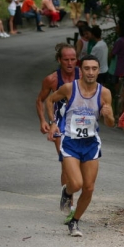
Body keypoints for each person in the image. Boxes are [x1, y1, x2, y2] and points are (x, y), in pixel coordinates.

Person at [46, 54, 115, 237]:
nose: (90, 72)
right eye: (86, 68)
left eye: (94, 69)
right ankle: (67, 191)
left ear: (99, 70)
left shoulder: (105, 92)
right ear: (80, 70)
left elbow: (111, 123)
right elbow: (50, 100)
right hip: (70, 142)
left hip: (91, 143)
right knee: (76, 184)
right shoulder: (69, 88)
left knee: (89, 188)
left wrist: (108, 115)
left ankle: (74, 221)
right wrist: (53, 122)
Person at [36, 43, 80, 222]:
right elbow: (40, 100)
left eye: (73, 59)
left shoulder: (84, 75)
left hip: (80, 123)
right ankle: (70, 203)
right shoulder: (52, 79)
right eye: (66, 60)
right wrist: (43, 121)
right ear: (59, 60)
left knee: (81, 165)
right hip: (60, 124)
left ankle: (67, 192)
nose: (70, 63)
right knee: (67, 163)